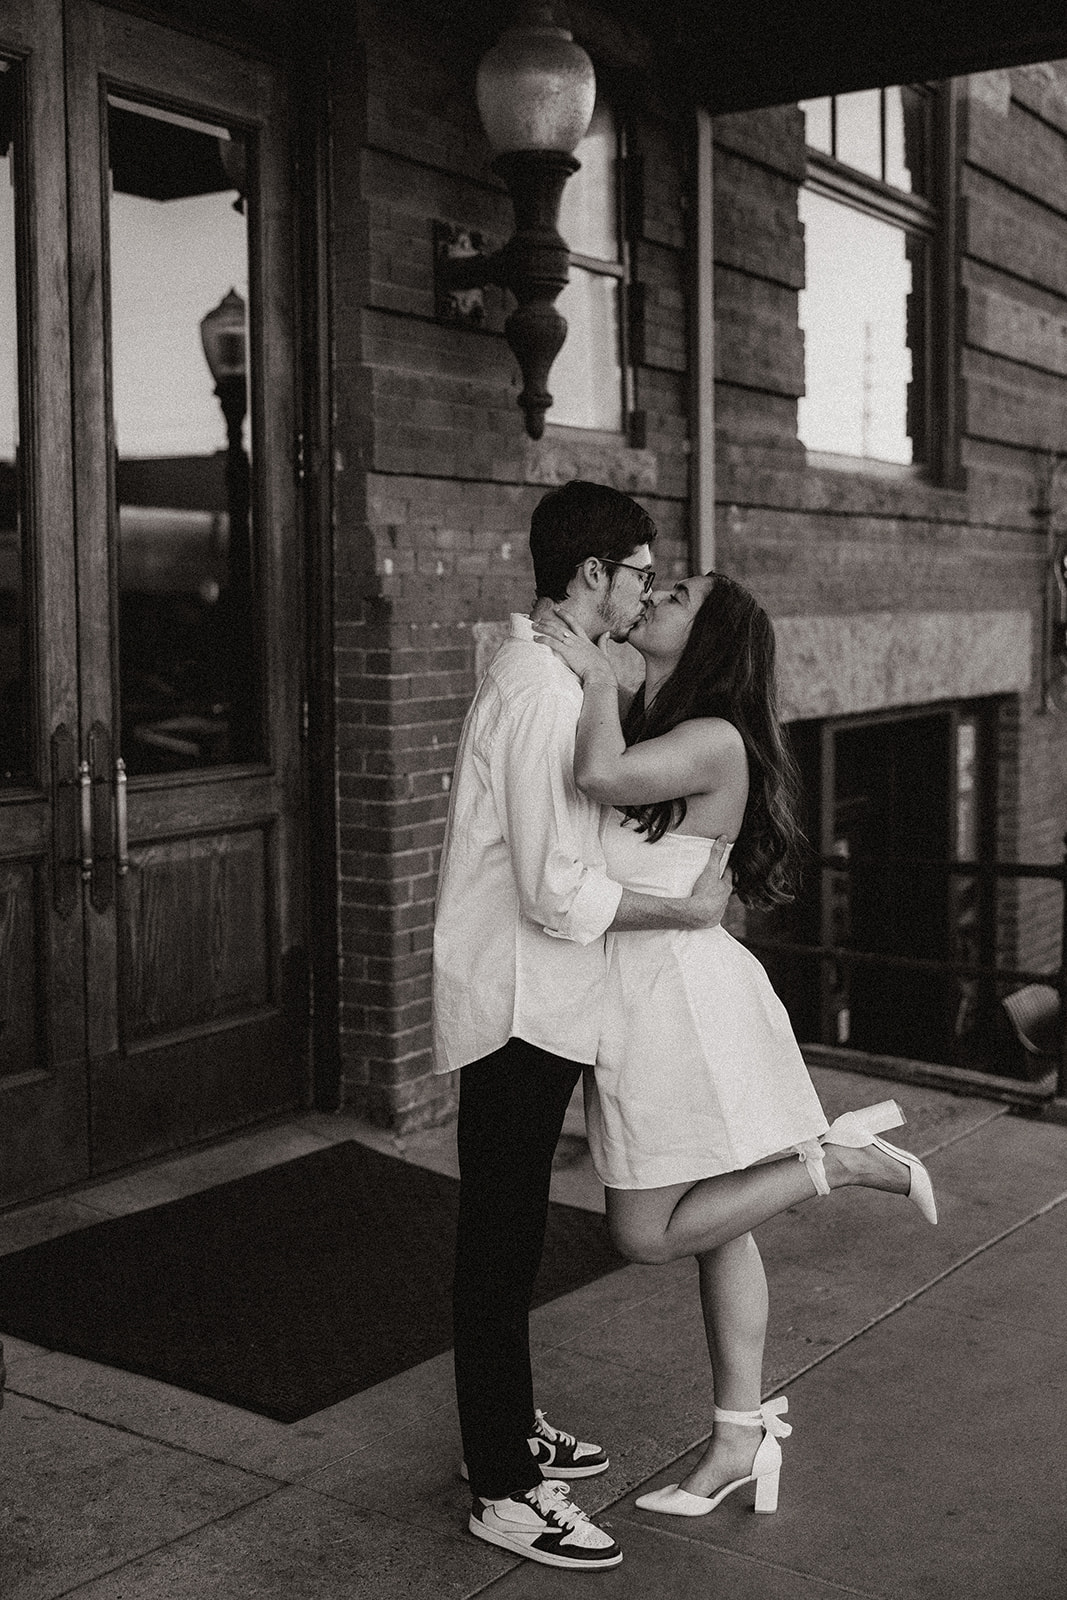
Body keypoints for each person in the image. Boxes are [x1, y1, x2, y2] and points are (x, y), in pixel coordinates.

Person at [534, 569, 937, 1519]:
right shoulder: (654, 718)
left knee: (642, 1233)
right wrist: (605, 684)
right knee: (722, 1222)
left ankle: (837, 1161)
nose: (655, 596)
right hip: (647, 1000)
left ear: (709, 636)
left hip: (679, 1006)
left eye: (675, 593)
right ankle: (737, 1439)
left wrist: (589, 672)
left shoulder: (710, 739)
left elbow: (595, 780)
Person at [432, 482, 734, 1571]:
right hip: (517, 1001)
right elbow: (556, 892)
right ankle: (504, 1489)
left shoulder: (562, 676)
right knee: (498, 1242)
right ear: (591, 574)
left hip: (545, 1002)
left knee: (508, 1243)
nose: (650, 588)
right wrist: (686, 908)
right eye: (640, 571)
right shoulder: (538, 692)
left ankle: (503, 1435)